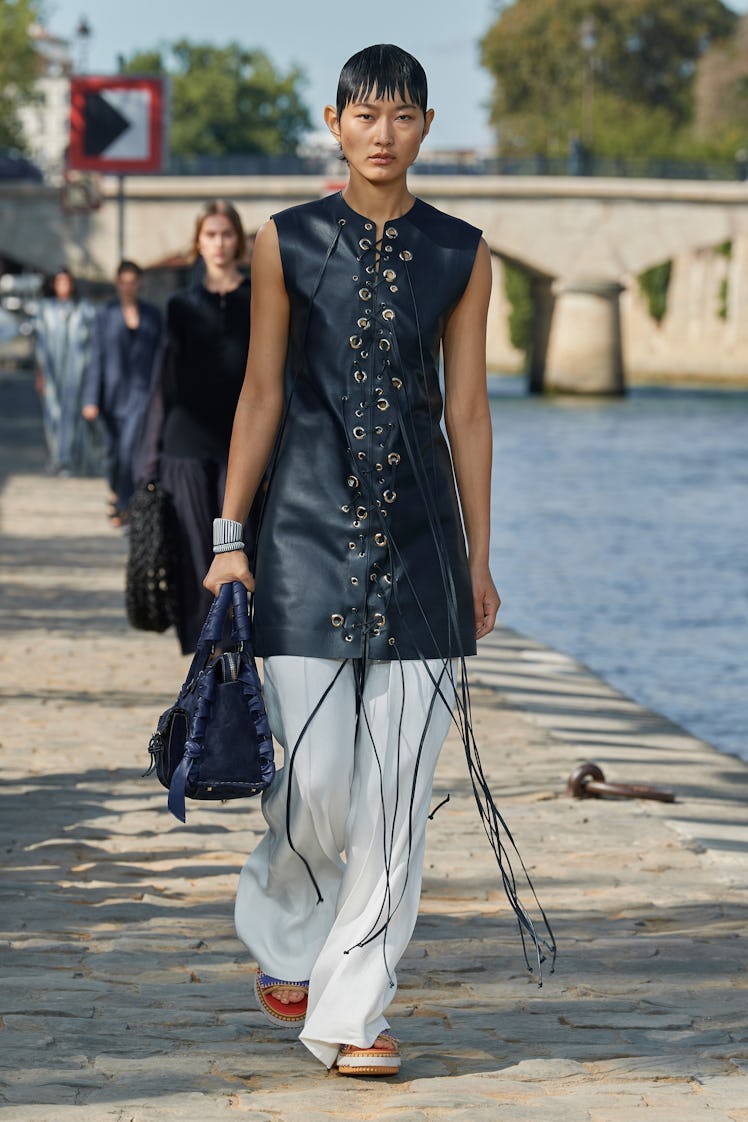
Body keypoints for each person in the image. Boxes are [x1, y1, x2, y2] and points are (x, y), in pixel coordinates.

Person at [204, 44, 554, 1077]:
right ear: (335, 121)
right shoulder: (284, 242)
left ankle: (352, 1010)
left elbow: (470, 414)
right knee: (316, 790)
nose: (383, 132)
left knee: (396, 800)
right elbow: (260, 393)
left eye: (402, 116)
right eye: (366, 114)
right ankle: (281, 916)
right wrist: (229, 540)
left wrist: (479, 562)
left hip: (422, 553)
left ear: (425, 127)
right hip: (301, 544)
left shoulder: (462, 253)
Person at [136, 200, 254, 654]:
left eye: (226, 234)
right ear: (197, 243)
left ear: (238, 241)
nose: (219, 243)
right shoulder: (179, 305)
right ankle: (204, 656)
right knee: (191, 553)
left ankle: (233, 649)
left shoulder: (259, 299)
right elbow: (162, 385)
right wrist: (149, 462)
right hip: (184, 447)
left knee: (237, 548)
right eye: (211, 235)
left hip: (241, 448)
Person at [82, 260, 163, 526]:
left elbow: (162, 356)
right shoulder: (105, 313)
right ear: (117, 283)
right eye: (124, 282)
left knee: (129, 449)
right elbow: (96, 357)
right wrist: (91, 398)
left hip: (141, 395)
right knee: (113, 453)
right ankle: (117, 490)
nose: (128, 287)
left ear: (139, 283)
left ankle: (124, 504)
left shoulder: (153, 315)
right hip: (111, 396)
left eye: (133, 281)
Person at [34, 269, 101, 476]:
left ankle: (73, 460)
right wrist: (40, 375)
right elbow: (40, 345)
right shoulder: (45, 309)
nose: (64, 286)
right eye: (60, 282)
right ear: (54, 285)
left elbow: (92, 343)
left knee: (75, 416)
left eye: (67, 282)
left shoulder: (84, 309)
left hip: (77, 373)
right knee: (53, 414)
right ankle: (57, 458)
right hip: (53, 372)